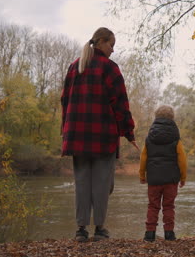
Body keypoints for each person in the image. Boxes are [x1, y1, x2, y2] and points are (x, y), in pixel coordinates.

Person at [61, 27, 139, 242]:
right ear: (102, 42)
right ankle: (100, 229)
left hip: (76, 136)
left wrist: (65, 133)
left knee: (82, 183)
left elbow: (65, 102)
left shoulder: (73, 67)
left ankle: (81, 230)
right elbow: (120, 104)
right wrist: (128, 132)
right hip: (103, 136)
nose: (113, 50)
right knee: (103, 184)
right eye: (111, 45)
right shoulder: (110, 68)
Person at [139, 105, 187, 242]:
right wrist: (183, 177)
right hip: (171, 179)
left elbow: (143, 158)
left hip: (154, 179)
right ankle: (169, 234)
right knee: (169, 206)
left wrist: (142, 175)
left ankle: (149, 234)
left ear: (156, 117)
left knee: (153, 206)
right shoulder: (175, 138)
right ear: (172, 118)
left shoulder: (149, 138)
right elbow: (182, 159)